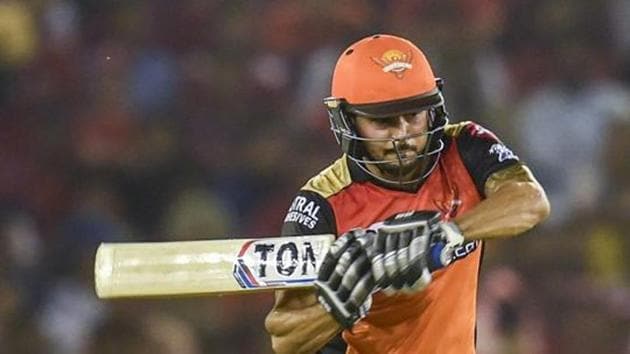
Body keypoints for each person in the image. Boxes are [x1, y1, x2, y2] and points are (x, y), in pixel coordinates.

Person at [265, 34, 550, 354]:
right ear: (348, 121)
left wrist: (440, 237)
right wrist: (350, 295)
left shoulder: (465, 147)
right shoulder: (320, 206)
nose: (403, 135)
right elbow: (285, 338)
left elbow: (530, 200)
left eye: (413, 116)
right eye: (383, 121)